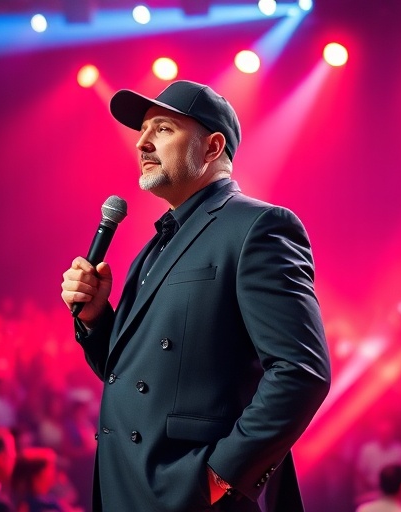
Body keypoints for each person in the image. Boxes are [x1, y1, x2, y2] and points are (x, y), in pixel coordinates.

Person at [60, 79, 331, 511]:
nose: (143, 143)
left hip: (191, 493)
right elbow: (134, 378)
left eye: (163, 129)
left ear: (211, 147)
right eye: (142, 132)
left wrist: (220, 477)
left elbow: (302, 371)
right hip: (131, 489)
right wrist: (96, 320)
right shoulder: (153, 248)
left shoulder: (258, 226)